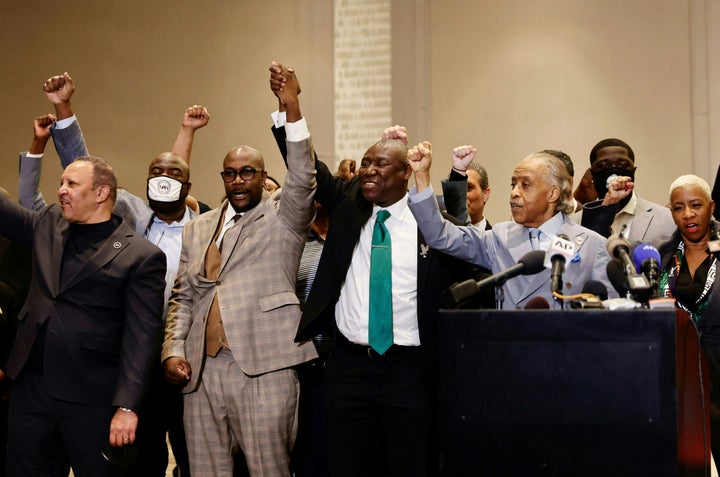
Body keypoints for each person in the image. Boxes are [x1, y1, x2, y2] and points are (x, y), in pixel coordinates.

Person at [270, 62, 472, 477]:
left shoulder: (432, 224)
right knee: (347, 465)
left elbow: (463, 235)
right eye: (366, 163)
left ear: (405, 172)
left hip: (410, 369)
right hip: (349, 368)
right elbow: (308, 168)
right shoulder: (350, 205)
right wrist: (291, 106)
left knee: (409, 464)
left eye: (381, 164)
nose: (369, 170)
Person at [18, 72, 208, 477]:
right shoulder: (134, 217)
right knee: (142, 458)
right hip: (120, 355)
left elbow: (174, 168)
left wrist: (187, 132)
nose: (164, 179)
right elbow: (86, 169)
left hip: (182, 356)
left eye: (174, 177)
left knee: (191, 457)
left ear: (187, 183)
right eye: (156, 174)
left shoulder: (206, 225)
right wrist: (64, 111)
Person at [162, 63, 317, 477]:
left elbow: (303, 175)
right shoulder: (197, 228)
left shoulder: (283, 217)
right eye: (230, 173)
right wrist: (173, 350)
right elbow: (182, 297)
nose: (237, 180)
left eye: (247, 172)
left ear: (264, 177)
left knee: (270, 470)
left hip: (265, 365)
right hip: (202, 370)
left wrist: (291, 106)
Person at [1, 156, 166, 476]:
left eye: (72, 184)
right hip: (31, 394)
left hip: (92, 400)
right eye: (61, 182)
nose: (61, 190)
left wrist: (128, 406)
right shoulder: (49, 224)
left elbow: (142, 338)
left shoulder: (142, 257)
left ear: (102, 193)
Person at [407, 145, 617, 309]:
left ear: (553, 193)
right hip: (510, 351)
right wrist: (422, 176)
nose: (514, 193)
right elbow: (440, 235)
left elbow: (610, 313)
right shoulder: (499, 237)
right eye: (513, 184)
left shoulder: (593, 245)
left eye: (525, 185)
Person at [655, 174, 720, 472]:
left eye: (696, 205)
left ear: (711, 207)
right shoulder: (658, 256)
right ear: (671, 213)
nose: (688, 214)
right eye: (679, 208)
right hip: (672, 379)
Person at [579, 138, 675, 242]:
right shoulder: (575, 223)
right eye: (603, 165)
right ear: (592, 174)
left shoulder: (667, 219)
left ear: (633, 171)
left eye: (623, 165)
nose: (614, 172)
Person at [440, 145, 492, 229]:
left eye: (469, 188)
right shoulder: (437, 237)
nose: (462, 194)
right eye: (459, 189)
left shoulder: (497, 240)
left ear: (485, 194)